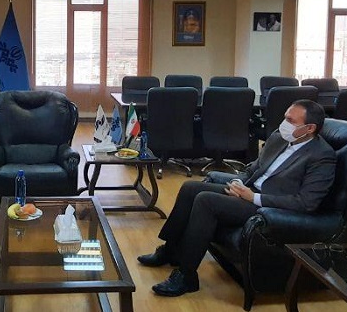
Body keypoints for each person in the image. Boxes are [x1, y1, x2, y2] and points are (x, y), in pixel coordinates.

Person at [137, 99, 335, 297]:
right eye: (285, 118)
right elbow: (253, 169)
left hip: (268, 206)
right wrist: (238, 183)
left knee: (206, 201)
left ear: (310, 128)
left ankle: (187, 276)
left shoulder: (322, 156)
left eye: (291, 121)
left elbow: (306, 203)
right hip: (248, 190)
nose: (284, 124)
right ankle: (171, 250)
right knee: (191, 188)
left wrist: (254, 197)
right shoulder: (279, 138)